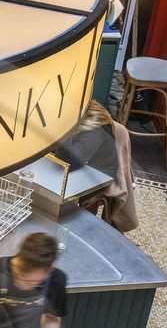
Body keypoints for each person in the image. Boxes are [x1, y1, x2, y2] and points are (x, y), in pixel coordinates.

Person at [54, 100, 138, 233]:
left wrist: (65, 129)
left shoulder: (95, 130)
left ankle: (63, 233)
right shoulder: (81, 109)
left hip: (99, 173)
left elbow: (66, 161)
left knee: (56, 195)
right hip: (85, 163)